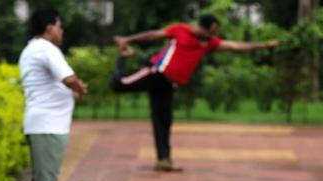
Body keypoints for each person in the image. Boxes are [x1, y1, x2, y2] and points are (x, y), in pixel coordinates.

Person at [110, 15, 279, 172]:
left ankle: (164, 160)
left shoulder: (209, 43)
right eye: (212, 31)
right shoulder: (180, 30)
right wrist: (128, 40)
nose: (213, 35)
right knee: (118, 85)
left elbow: (235, 46)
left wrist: (263, 45)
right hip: (156, 73)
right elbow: (153, 35)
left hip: (169, 85)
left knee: (164, 120)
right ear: (203, 28)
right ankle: (124, 56)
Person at [18, 8, 88, 181]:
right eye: (59, 26)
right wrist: (80, 88)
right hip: (48, 125)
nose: (61, 31)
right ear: (49, 27)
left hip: (42, 123)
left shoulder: (32, 48)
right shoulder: (47, 49)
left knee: (41, 177)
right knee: (44, 179)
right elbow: (68, 78)